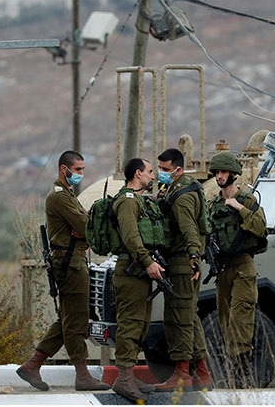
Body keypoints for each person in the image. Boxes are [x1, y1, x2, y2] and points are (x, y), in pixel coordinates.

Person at [16, 150, 110, 392]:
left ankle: (32, 365)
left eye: (82, 170)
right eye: (77, 169)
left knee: (68, 318)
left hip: (72, 260)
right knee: (76, 320)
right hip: (70, 263)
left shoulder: (67, 194)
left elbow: (84, 224)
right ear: (63, 169)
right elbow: (85, 225)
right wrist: (84, 229)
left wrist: (84, 228)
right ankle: (82, 374)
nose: (80, 174)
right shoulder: (59, 196)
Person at [153, 148, 213, 391]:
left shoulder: (182, 196)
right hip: (180, 261)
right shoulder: (180, 187)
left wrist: (193, 257)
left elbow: (189, 229)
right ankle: (202, 372)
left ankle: (181, 374)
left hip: (181, 263)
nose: (161, 174)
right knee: (189, 316)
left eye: (165, 170)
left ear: (178, 169)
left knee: (178, 318)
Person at [206, 151, 267, 388]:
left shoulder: (248, 200)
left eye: (223, 172)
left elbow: (261, 227)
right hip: (223, 269)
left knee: (241, 321)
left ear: (233, 174)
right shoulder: (213, 203)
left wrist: (239, 207)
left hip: (243, 266)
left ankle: (244, 375)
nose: (219, 176)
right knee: (225, 322)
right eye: (216, 173)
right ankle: (231, 374)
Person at [110, 158, 164, 403]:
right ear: (138, 174)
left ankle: (129, 376)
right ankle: (123, 379)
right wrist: (148, 261)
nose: (153, 177)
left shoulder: (138, 201)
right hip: (132, 270)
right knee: (130, 324)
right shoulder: (127, 202)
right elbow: (132, 238)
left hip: (139, 271)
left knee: (140, 324)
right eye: (150, 172)